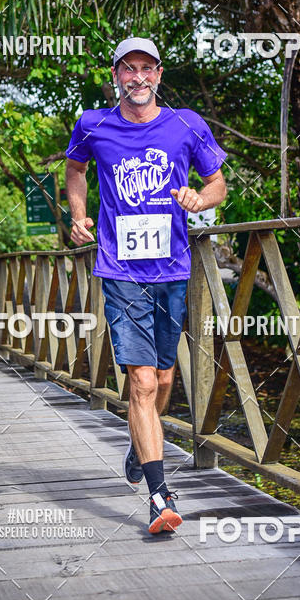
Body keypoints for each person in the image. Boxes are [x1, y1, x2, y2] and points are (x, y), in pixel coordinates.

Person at [65, 37, 226, 534]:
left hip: (173, 270)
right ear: (115, 75)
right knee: (140, 382)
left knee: (164, 380)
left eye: (146, 69)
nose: (137, 78)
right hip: (121, 270)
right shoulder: (94, 124)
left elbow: (218, 180)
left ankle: (140, 448)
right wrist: (78, 214)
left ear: (159, 74)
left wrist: (200, 198)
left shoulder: (186, 124)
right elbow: (75, 168)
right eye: (128, 69)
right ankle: (159, 496)